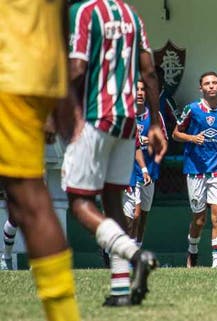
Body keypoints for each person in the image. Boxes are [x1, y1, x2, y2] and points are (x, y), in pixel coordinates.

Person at [64, 0, 168, 306]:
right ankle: (121, 289)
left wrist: (58, 109)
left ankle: (136, 254)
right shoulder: (131, 15)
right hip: (127, 122)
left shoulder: (83, 12)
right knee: (113, 201)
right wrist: (156, 122)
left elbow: (77, 68)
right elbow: (149, 72)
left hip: (94, 118)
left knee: (80, 202)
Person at [0, 0, 81, 320]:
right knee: (28, 201)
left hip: (9, 69)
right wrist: (61, 87)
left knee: (29, 201)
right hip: (33, 73)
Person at [172, 71, 217, 268]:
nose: (211, 86)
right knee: (199, 220)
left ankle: (216, 265)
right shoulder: (192, 109)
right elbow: (175, 134)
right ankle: (193, 251)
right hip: (196, 171)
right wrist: (192, 138)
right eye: (207, 83)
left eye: (214, 83)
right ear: (201, 88)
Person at [124, 80, 167, 247]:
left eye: (143, 89)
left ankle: (137, 247)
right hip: (128, 172)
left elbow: (163, 142)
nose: (140, 93)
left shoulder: (155, 116)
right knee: (134, 214)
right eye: (137, 89)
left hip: (149, 170)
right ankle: (125, 250)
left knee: (143, 215)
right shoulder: (125, 116)